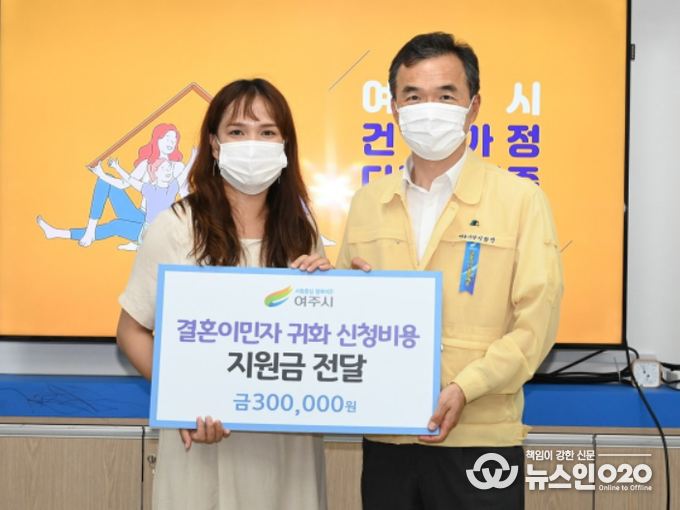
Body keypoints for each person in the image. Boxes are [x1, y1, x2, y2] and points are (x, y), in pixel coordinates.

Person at [336, 32, 564, 510]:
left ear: (473, 107)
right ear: (394, 109)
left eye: (445, 96)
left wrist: (466, 387)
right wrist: (331, 291)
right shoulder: (367, 203)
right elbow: (343, 320)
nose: (428, 110)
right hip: (388, 438)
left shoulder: (521, 201)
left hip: (480, 437)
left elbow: (535, 325)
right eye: (413, 97)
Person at [116, 78, 330, 510]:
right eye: (237, 131)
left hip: (287, 445)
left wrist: (333, 292)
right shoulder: (177, 226)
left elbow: (321, 338)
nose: (252, 144)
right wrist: (184, 398)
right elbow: (131, 331)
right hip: (204, 437)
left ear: (285, 146)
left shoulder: (302, 232)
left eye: (267, 132)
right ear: (214, 145)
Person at [36, 123, 195, 250]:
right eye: (167, 138)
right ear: (157, 139)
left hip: (156, 223)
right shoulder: (146, 164)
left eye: (174, 140)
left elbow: (184, 192)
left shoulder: (178, 166)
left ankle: (58, 233)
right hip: (139, 214)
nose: (171, 143)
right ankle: (90, 229)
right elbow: (124, 184)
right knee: (106, 180)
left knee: (115, 226)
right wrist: (101, 173)